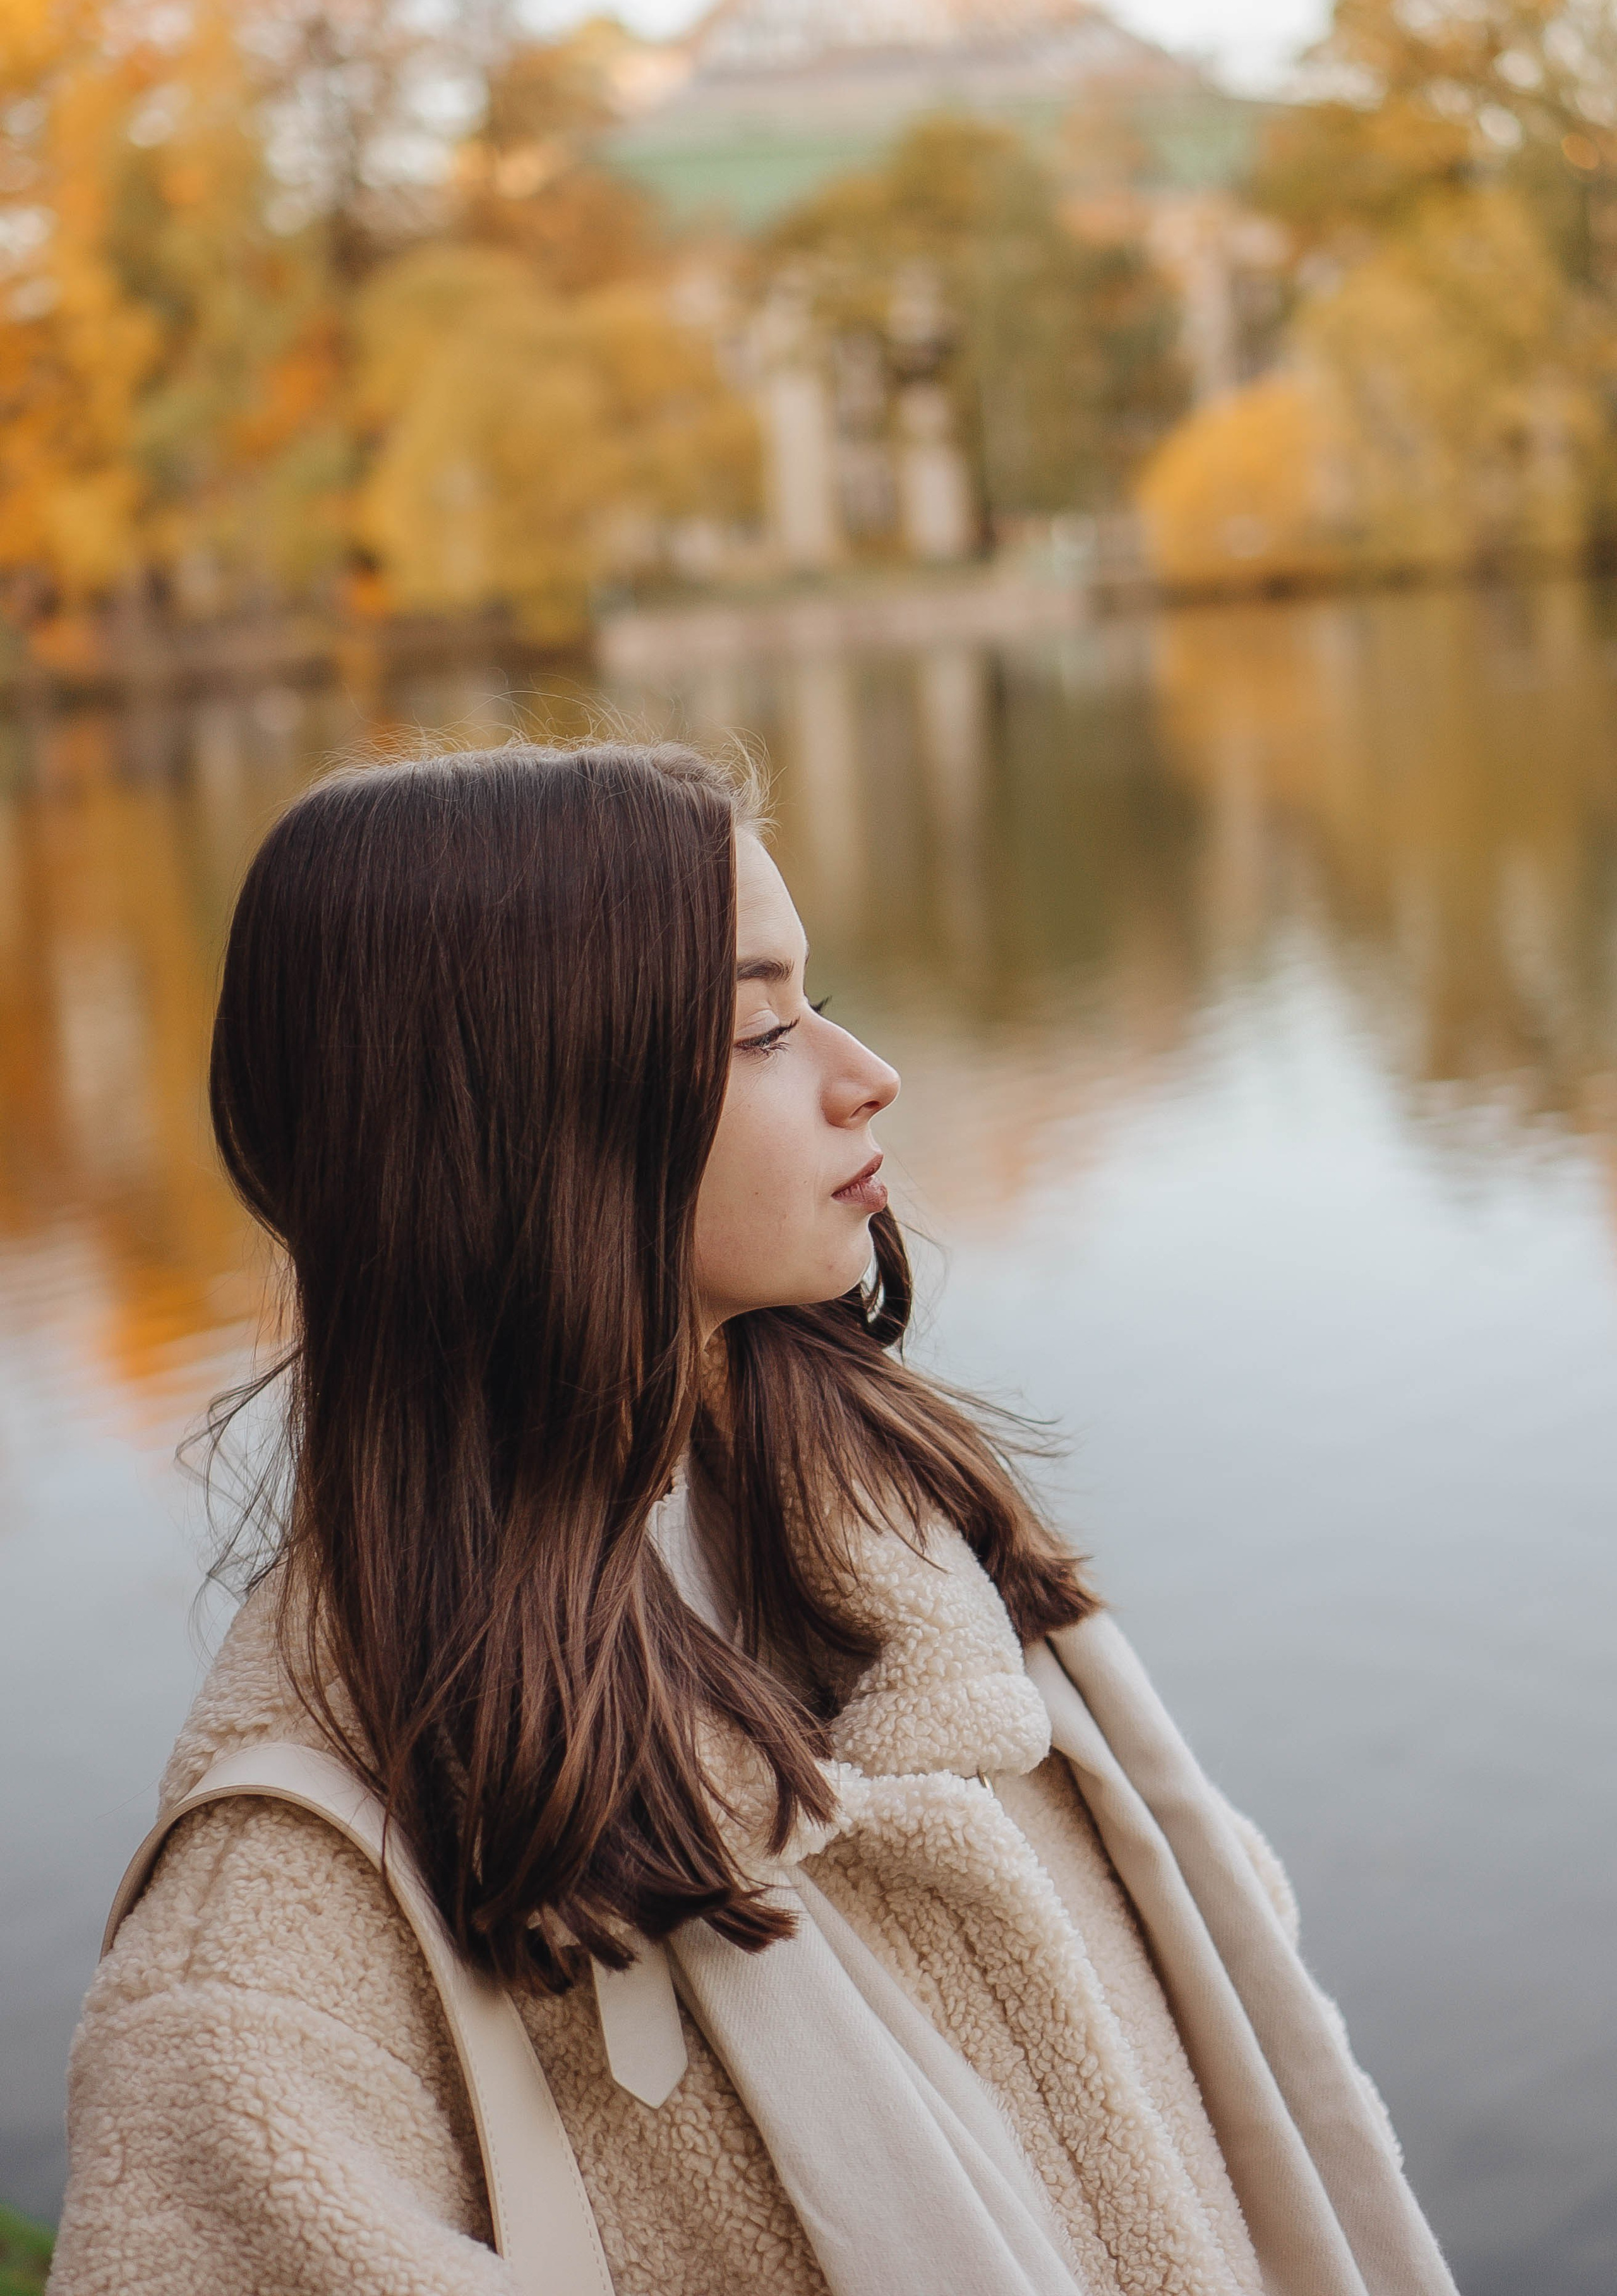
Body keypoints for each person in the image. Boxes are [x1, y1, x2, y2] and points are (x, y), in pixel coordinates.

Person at [48, 740, 1458, 2296]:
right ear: (526, 1121)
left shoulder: (920, 1563)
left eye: (814, 998)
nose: (866, 1072)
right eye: (761, 1026)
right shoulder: (280, 1927)